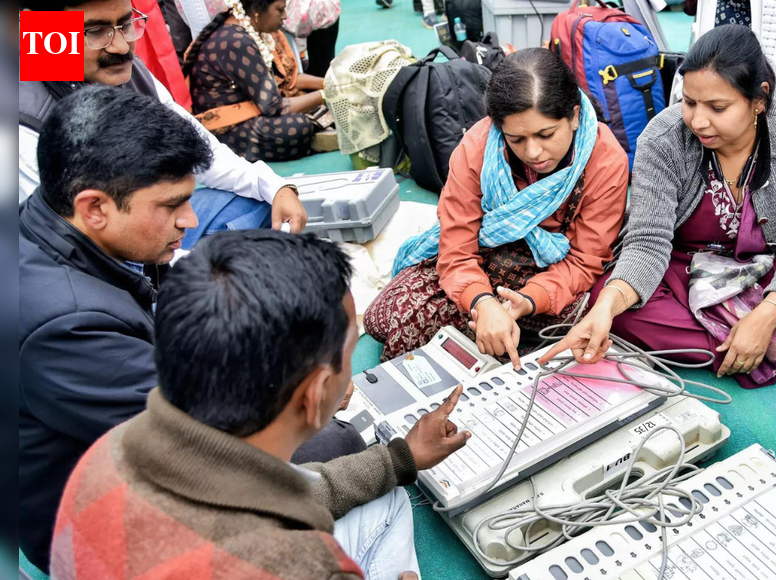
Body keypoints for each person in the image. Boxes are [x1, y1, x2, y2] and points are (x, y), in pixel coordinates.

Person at [17, 87, 351, 573]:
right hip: (92, 526)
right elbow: (200, 434)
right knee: (339, 444)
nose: (189, 221)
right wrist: (299, 380)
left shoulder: (64, 227)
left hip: (118, 447)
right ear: (95, 208)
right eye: (172, 205)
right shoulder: (66, 326)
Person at [50, 229, 471, 580]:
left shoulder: (111, 447)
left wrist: (401, 458)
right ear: (317, 391)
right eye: (347, 350)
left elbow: (283, 489)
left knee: (387, 495)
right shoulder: (302, 566)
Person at [542, 26, 776, 388]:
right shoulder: (663, 139)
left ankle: (752, 342)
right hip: (682, 273)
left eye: (718, 107)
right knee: (617, 307)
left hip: (759, 273)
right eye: (689, 102)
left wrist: (769, 312)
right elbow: (647, 244)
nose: (698, 121)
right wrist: (605, 310)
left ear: (759, 99)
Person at [363, 48, 629, 367]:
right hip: (484, 261)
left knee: (600, 317)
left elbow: (585, 260)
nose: (533, 152)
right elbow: (457, 247)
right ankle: (496, 334)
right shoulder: (478, 148)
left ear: (573, 117)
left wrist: (527, 301)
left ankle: (494, 337)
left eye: (546, 134)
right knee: (385, 318)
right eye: (516, 139)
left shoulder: (605, 159)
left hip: (553, 276)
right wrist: (482, 301)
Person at [17, 0, 308, 239]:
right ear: (44, 31)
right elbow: (62, 243)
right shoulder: (22, 119)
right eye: (95, 31)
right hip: (93, 264)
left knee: (262, 205)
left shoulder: (133, 75)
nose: (120, 47)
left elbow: (203, 149)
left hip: (145, 230)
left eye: (125, 24)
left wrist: (275, 186)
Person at [184, 0, 334, 162]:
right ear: (257, 11)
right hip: (224, 128)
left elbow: (287, 81)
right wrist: (327, 93)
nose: (284, 16)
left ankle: (316, 131)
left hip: (255, 109)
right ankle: (313, 133)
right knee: (297, 127)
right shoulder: (236, 40)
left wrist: (330, 82)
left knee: (316, 108)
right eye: (280, 10)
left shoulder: (254, 30)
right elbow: (274, 107)